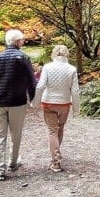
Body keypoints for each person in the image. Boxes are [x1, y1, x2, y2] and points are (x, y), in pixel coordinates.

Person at [0, 29, 37, 181]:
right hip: (17, 102)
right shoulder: (24, 58)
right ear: (18, 42)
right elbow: (31, 81)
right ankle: (13, 163)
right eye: (22, 40)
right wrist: (33, 98)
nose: (23, 42)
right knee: (16, 134)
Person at [31, 45, 80, 173]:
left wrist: (35, 102)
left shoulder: (47, 67)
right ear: (67, 55)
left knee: (52, 130)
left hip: (49, 103)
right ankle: (56, 155)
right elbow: (75, 91)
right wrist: (76, 109)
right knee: (60, 128)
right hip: (64, 103)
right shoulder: (72, 69)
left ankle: (56, 161)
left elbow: (40, 86)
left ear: (54, 54)